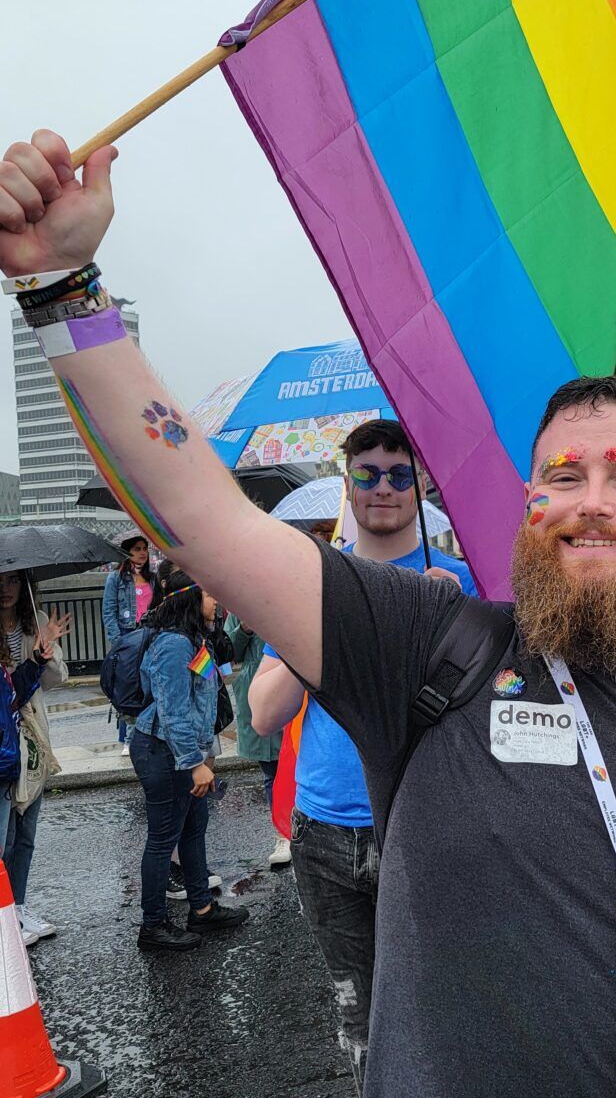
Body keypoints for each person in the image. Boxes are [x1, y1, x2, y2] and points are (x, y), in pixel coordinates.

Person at [0, 130, 616, 1095]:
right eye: (561, 475)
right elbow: (201, 516)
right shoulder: (427, 647)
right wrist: (63, 286)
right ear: (528, 508)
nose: (592, 498)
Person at [256, 417, 476, 1093]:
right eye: (367, 475)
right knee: (358, 1015)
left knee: (440, 1007)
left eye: (398, 474)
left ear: (420, 484)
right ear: (346, 484)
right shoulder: (312, 584)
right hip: (323, 832)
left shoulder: (459, 583)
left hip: (424, 824)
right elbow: (266, 713)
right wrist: (318, 620)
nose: (382, 488)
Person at [128, 564, 249, 950]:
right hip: (162, 752)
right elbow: (172, 710)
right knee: (163, 839)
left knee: (194, 827)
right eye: (211, 595)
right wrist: (194, 762)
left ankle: (202, 910)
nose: (218, 602)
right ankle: (153, 925)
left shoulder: (194, 638)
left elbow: (205, 694)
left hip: (183, 752)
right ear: (192, 599)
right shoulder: (173, 645)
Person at [0, 569, 69, 945]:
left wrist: (46, 651)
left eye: (13, 581)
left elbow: (57, 677)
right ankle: (6, 912)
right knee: (5, 836)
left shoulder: (37, 622)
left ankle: (19, 907)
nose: (6, 589)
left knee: (26, 834)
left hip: (33, 737)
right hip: (3, 740)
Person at [224, 612, 287, 866]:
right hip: (257, 690)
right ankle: (282, 832)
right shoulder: (239, 604)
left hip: (292, 685)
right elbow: (229, 652)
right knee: (271, 771)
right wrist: (244, 629)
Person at [102, 534, 156, 753]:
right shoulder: (116, 578)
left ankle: (146, 732)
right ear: (126, 552)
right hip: (128, 636)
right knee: (128, 686)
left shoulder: (152, 578)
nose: (142, 552)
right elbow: (109, 612)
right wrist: (118, 643)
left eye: (144, 548)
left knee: (149, 683)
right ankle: (126, 738)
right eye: (136, 549)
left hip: (150, 636)